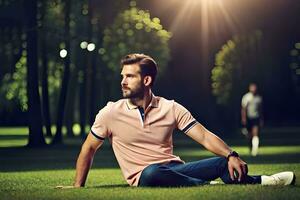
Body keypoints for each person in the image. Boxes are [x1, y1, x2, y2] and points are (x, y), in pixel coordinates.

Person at [58, 53, 295, 188]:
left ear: (147, 80)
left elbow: (203, 135)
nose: (123, 81)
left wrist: (231, 155)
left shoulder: (170, 108)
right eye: (123, 76)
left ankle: (265, 181)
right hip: (146, 176)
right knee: (150, 174)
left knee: (223, 163)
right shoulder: (110, 113)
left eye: (130, 76)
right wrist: (78, 187)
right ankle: (204, 186)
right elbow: (88, 148)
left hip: (175, 169)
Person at [241, 83, 263, 156]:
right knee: (249, 135)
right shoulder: (246, 97)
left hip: (256, 118)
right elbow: (243, 109)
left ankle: (255, 150)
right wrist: (244, 118)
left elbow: (260, 110)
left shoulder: (259, 98)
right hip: (248, 118)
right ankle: (251, 148)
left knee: (255, 134)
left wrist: (261, 119)